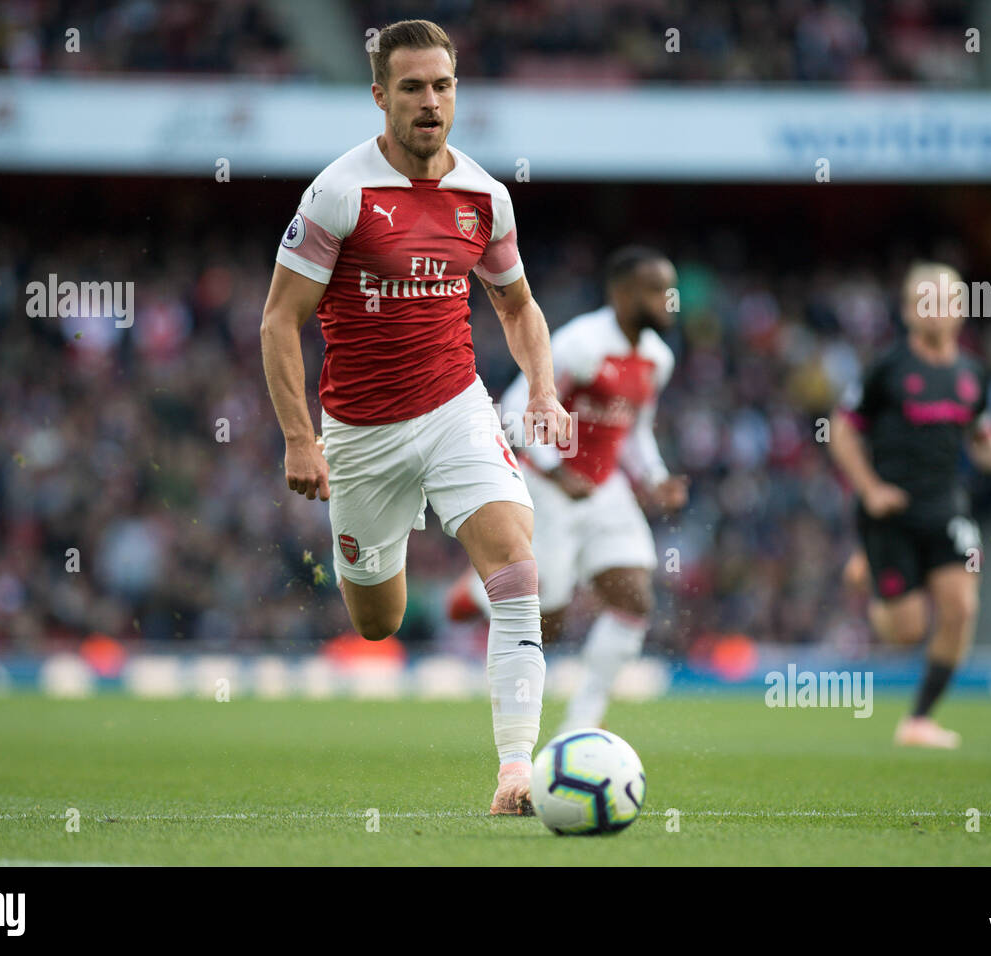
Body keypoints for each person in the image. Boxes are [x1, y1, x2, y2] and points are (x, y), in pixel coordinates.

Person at [259, 20, 570, 814]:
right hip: (359, 435)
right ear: (379, 96)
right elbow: (277, 321)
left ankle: (514, 770)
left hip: (455, 408)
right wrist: (301, 439)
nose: (429, 103)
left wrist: (541, 391)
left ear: (456, 91)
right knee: (377, 622)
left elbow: (519, 306)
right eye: (411, 88)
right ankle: (396, 571)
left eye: (442, 86)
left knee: (516, 561)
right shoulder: (340, 192)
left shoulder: (484, 198)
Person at [447, 247, 687, 732]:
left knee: (635, 600)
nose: (670, 301)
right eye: (658, 291)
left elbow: (633, 432)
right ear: (623, 294)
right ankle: (481, 587)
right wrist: (557, 472)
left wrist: (655, 477)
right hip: (546, 489)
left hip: (605, 491)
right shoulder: (581, 344)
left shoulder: (658, 360)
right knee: (547, 625)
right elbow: (516, 407)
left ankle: (582, 723)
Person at [830, 261, 991, 748]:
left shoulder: (972, 374)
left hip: (947, 509)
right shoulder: (887, 368)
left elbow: (982, 438)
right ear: (906, 311)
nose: (936, 309)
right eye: (924, 300)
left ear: (961, 309)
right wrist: (870, 488)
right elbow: (841, 429)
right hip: (890, 512)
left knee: (962, 607)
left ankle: (919, 720)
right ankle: (874, 572)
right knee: (905, 631)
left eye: (945, 299)